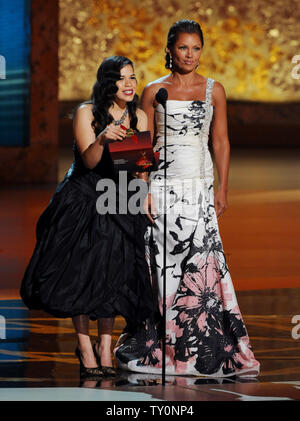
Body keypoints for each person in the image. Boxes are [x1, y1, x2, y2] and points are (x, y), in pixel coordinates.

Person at [114, 21, 260, 377]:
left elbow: (221, 141)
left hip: (198, 185)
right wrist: (142, 187)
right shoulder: (151, 91)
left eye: (196, 48)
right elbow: (139, 142)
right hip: (162, 187)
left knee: (201, 265)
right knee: (162, 263)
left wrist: (222, 188)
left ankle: (202, 343)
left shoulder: (214, 90)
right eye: (183, 48)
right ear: (170, 49)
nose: (190, 55)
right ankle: (163, 343)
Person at [20, 56, 155, 379]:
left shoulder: (138, 116)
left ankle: (105, 347)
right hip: (84, 198)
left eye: (133, 78)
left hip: (120, 199)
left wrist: (142, 196)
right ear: (108, 82)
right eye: (122, 78)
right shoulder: (86, 112)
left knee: (113, 275)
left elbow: (140, 169)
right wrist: (103, 139)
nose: (129, 84)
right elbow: (91, 162)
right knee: (83, 274)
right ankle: (84, 347)